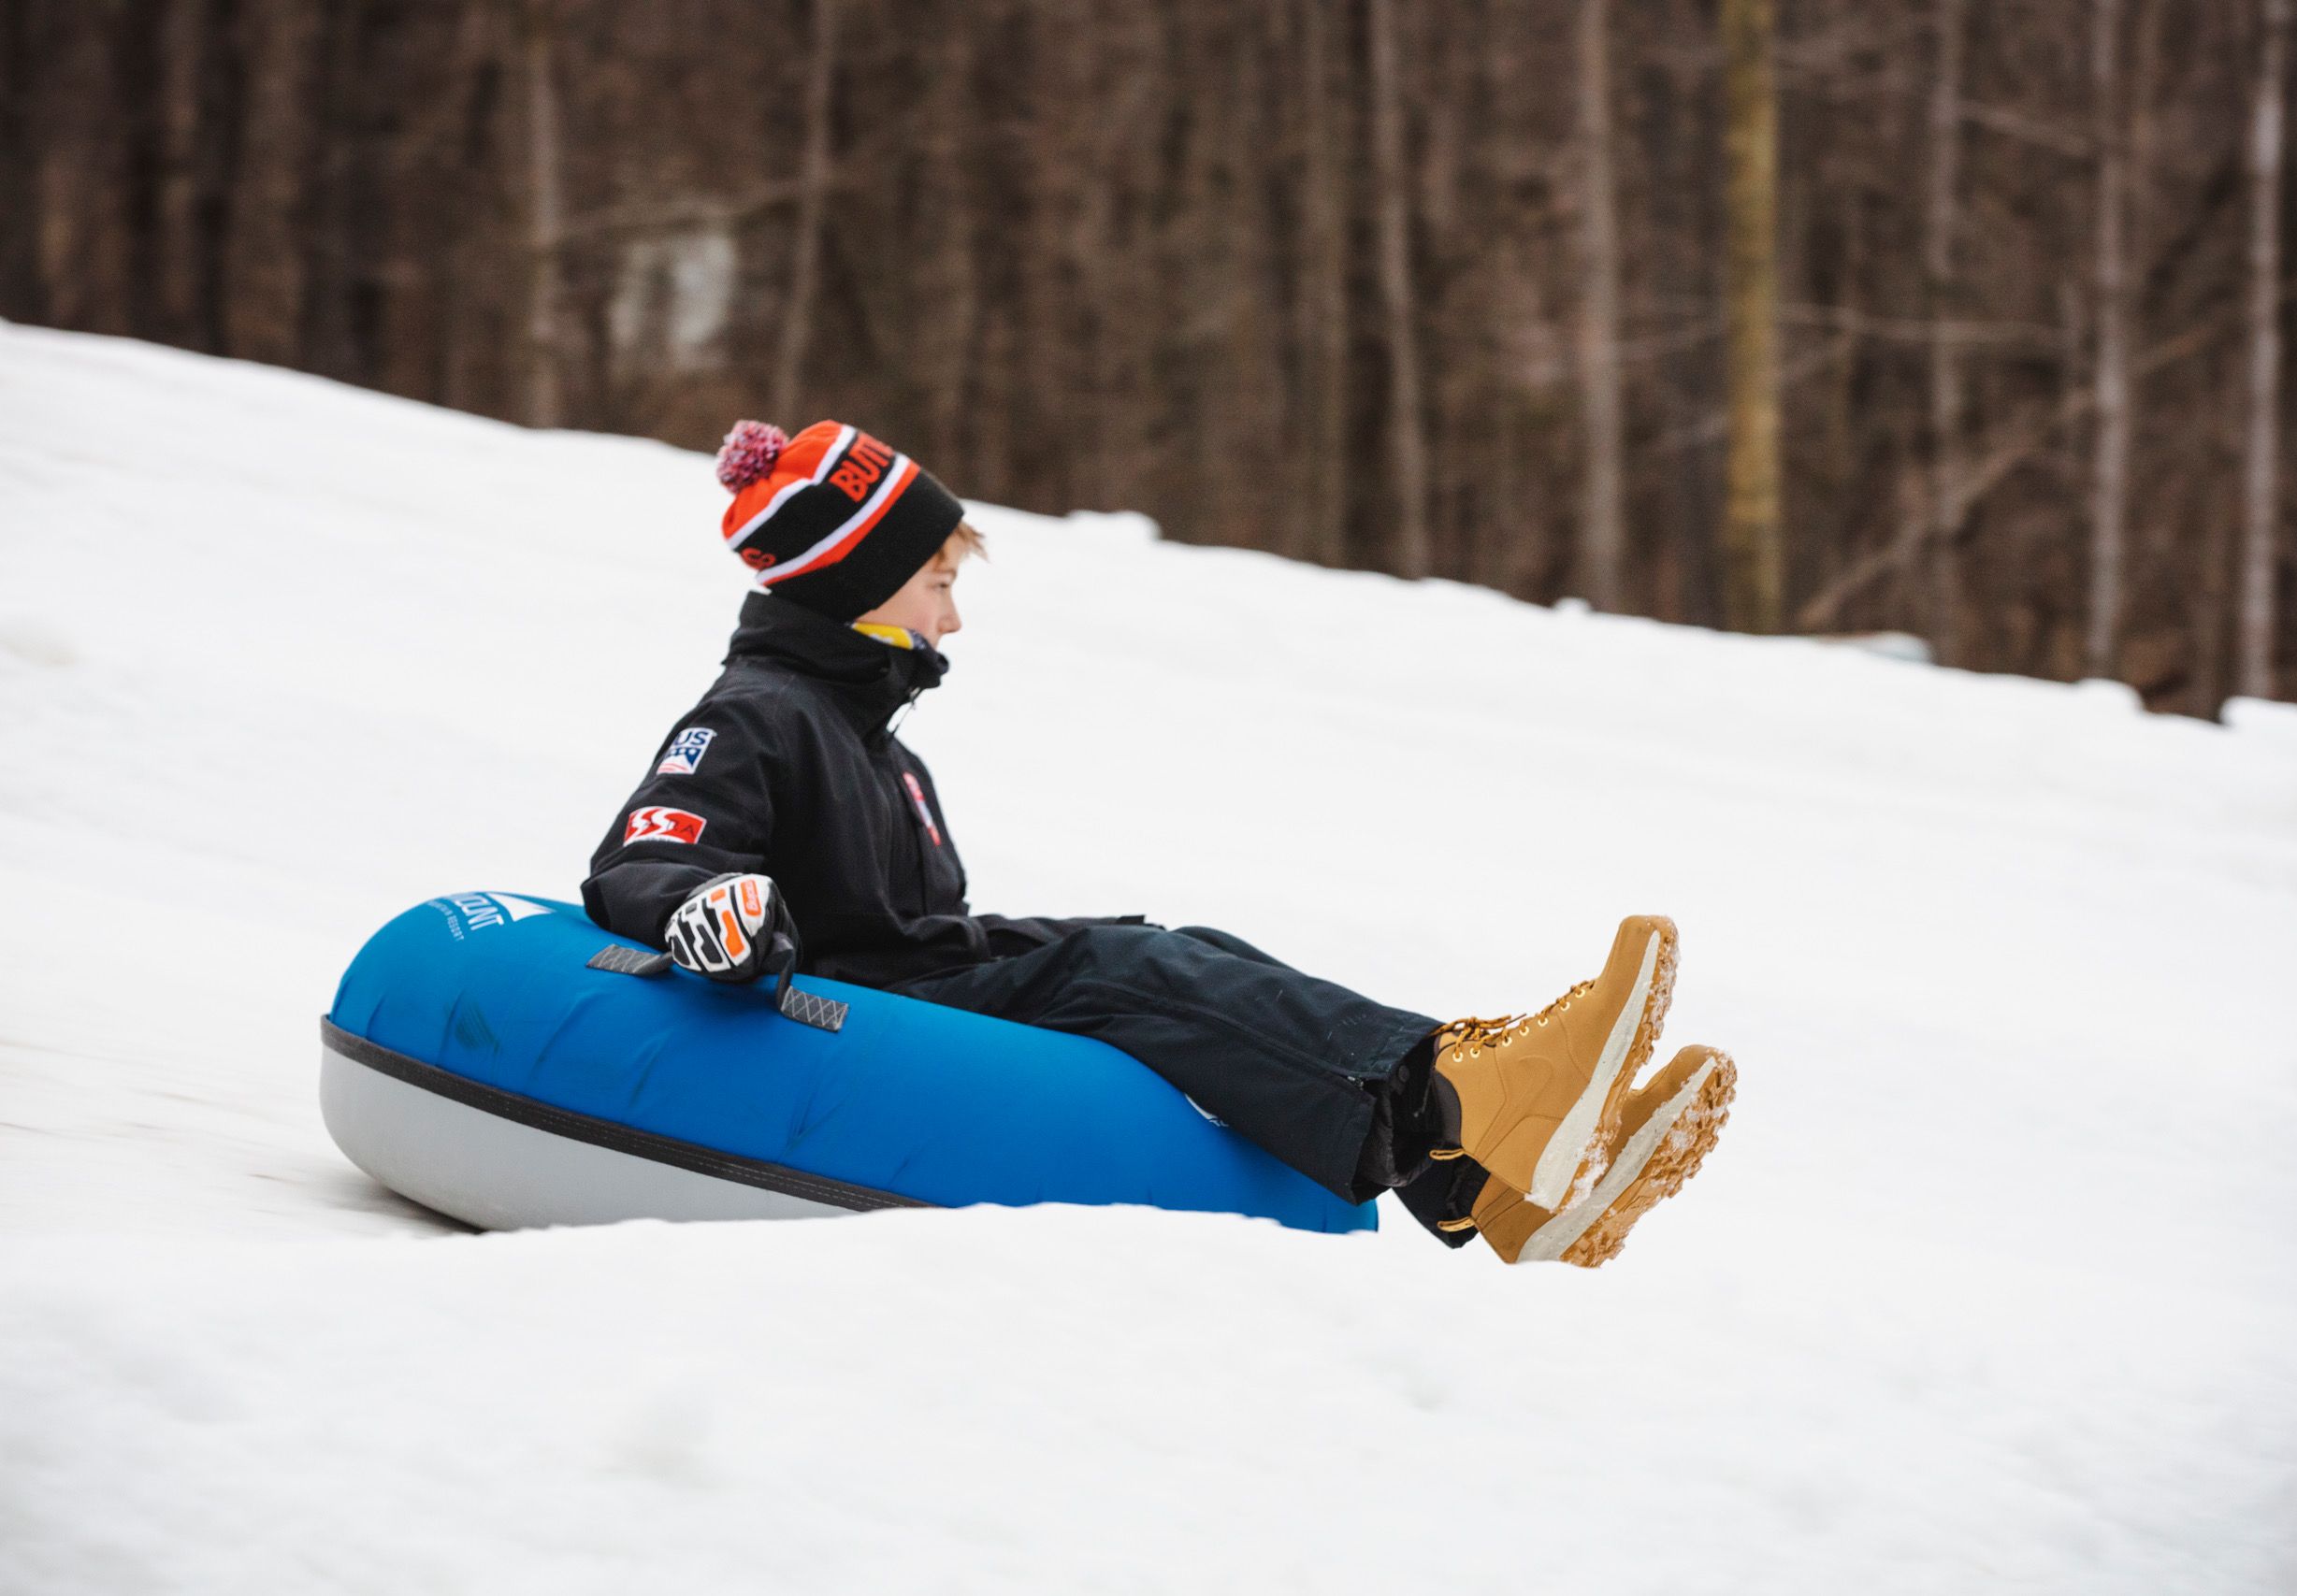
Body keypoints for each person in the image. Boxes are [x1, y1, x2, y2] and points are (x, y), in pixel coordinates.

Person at [582, 419, 1738, 1267]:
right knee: (1127, 973)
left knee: (1182, 942)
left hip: (914, 978)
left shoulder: (874, 741)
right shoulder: (756, 713)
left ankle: (1498, 1191)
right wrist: (703, 908)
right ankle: (1475, 1099)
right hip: (848, 1016)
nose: (953, 615)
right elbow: (647, 851)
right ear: (858, 587)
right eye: (936, 582)